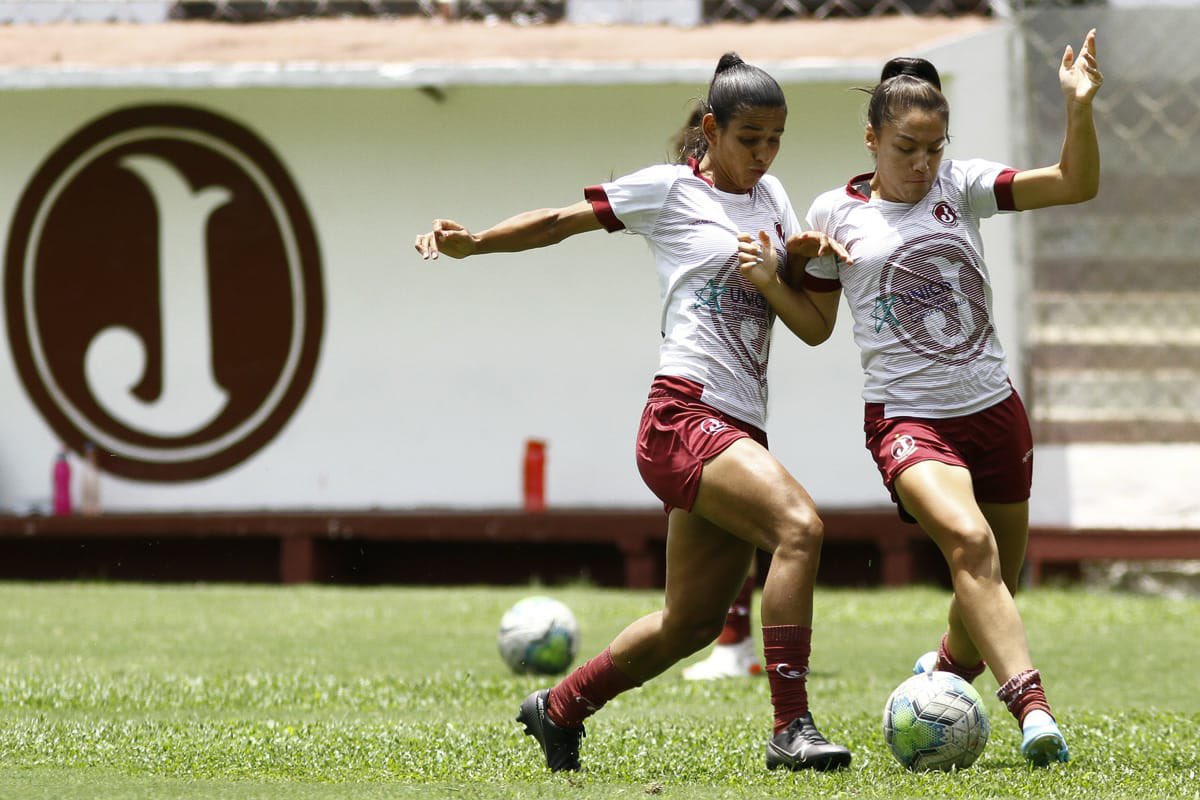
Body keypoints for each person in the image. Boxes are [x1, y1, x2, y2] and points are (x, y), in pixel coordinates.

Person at [414, 53, 853, 773]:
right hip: (682, 416)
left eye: (775, 139)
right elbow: (558, 222)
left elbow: (812, 325)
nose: (764, 154)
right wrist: (477, 243)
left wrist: (802, 266)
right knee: (799, 528)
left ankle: (558, 708)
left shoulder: (774, 197)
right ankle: (791, 727)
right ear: (710, 129)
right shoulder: (669, 192)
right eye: (749, 138)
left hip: (738, 426)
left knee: (689, 624)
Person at [737, 30, 1103, 767]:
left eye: (933, 147)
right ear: (871, 139)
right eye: (906, 147)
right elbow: (813, 329)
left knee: (997, 573)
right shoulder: (834, 214)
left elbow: (1074, 183)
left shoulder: (959, 187)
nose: (922, 163)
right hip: (908, 419)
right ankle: (1033, 710)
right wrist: (778, 276)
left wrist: (1079, 108)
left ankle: (941, 675)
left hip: (994, 410)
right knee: (971, 546)